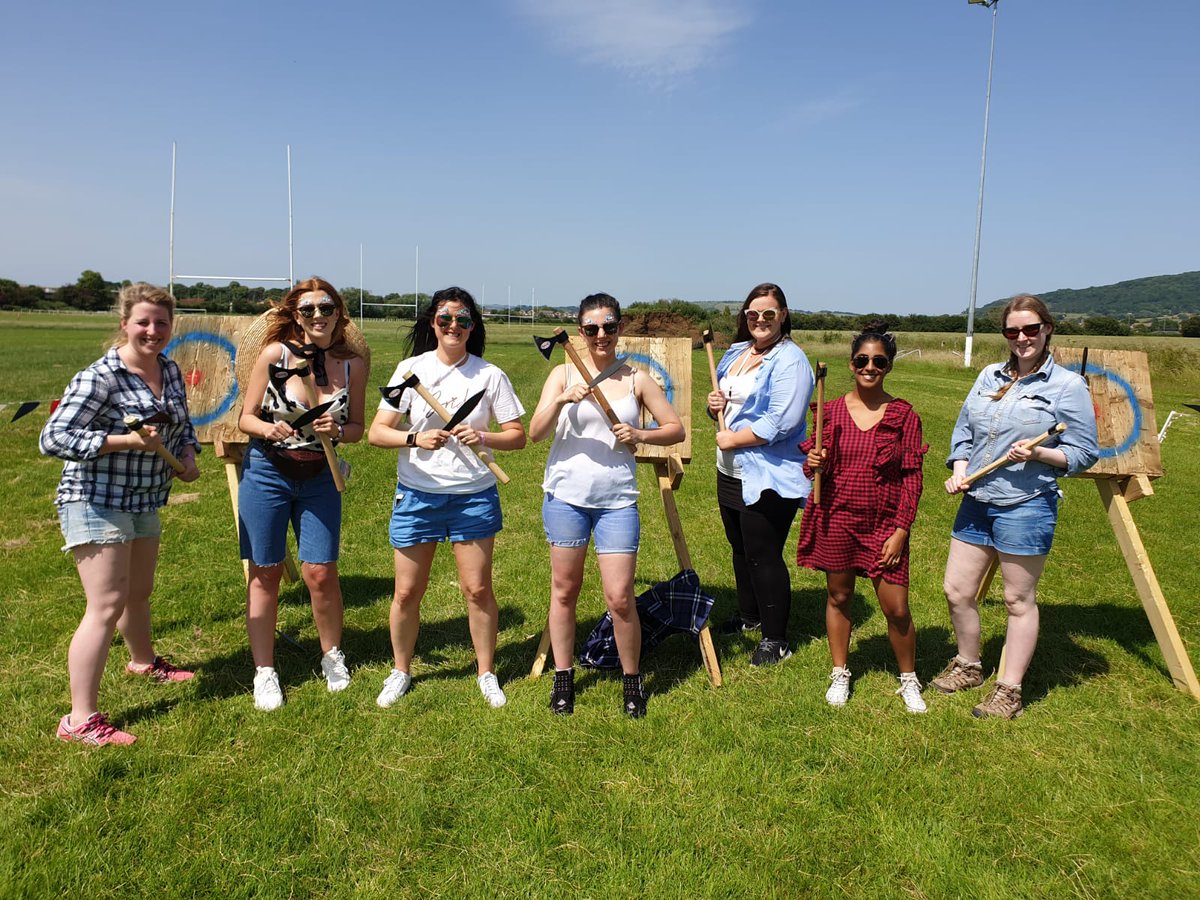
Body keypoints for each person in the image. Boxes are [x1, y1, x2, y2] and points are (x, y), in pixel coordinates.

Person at [40, 283, 202, 746]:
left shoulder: (168, 369)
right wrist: (123, 441)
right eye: (143, 322)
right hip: (95, 498)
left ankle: (143, 661)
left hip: (144, 497)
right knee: (106, 605)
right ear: (125, 323)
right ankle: (78, 720)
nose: (153, 331)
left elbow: (181, 421)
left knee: (139, 592)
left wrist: (187, 454)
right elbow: (53, 438)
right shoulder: (102, 377)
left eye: (162, 323)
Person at [933, 294, 1099, 719]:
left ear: (1047, 329)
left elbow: (1084, 452)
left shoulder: (1066, 386)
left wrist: (1040, 455)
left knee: (1017, 599)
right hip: (977, 500)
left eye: (1030, 329)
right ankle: (969, 665)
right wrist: (960, 466)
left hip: (1026, 504)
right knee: (957, 591)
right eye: (1013, 331)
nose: (1022, 338)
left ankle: (1009, 690)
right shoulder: (989, 376)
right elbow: (964, 432)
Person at [369, 287, 526, 710]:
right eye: (445, 319)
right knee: (406, 593)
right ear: (432, 324)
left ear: (473, 327)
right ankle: (401, 670)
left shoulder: (490, 375)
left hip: (473, 496)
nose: (454, 326)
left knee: (477, 589)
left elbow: (518, 436)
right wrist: (415, 437)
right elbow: (376, 432)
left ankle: (486, 672)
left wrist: (484, 435)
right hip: (417, 494)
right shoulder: (409, 369)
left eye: (463, 320)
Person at [529, 293, 684, 717]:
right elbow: (535, 432)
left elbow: (674, 429)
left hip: (617, 501)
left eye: (609, 327)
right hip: (566, 498)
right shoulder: (562, 374)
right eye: (592, 328)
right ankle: (564, 677)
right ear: (580, 333)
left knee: (619, 598)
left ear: (619, 329)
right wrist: (562, 400)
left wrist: (640, 434)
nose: (601, 335)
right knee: (564, 592)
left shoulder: (636, 378)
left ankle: (631, 682)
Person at [237, 277, 367, 711]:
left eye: (325, 308)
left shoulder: (353, 364)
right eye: (307, 309)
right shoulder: (277, 355)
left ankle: (332, 655)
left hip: (320, 478)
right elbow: (245, 419)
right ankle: (265, 672)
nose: (317, 316)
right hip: (268, 472)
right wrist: (268, 427)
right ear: (295, 314)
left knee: (320, 572)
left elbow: (358, 427)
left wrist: (339, 430)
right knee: (266, 570)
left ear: (338, 312)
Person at [796, 324, 928, 712]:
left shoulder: (904, 415)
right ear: (851, 364)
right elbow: (816, 469)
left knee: (896, 609)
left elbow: (912, 478)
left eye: (878, 361)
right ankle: (840, 672)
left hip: (884, 523)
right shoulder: (830, 410)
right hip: (837, 518)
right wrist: (813, 461)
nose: (869, 367)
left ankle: (908, 679)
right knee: (839, 596)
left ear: (888, 367)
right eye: (862, 360)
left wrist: (902, 530)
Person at [706, 283, 814, 666]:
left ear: (783, 315)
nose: (760, 321)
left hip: (769, 475)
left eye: (769, 314)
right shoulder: (738, 352)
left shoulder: (792, 361)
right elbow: (723, 402)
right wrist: (713, 403)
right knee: (740, 549)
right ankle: (750, 617)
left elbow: (781, 421)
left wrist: (733, 438)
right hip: (731, 470)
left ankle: (775, 639)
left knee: (764, 554)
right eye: (753, 314)